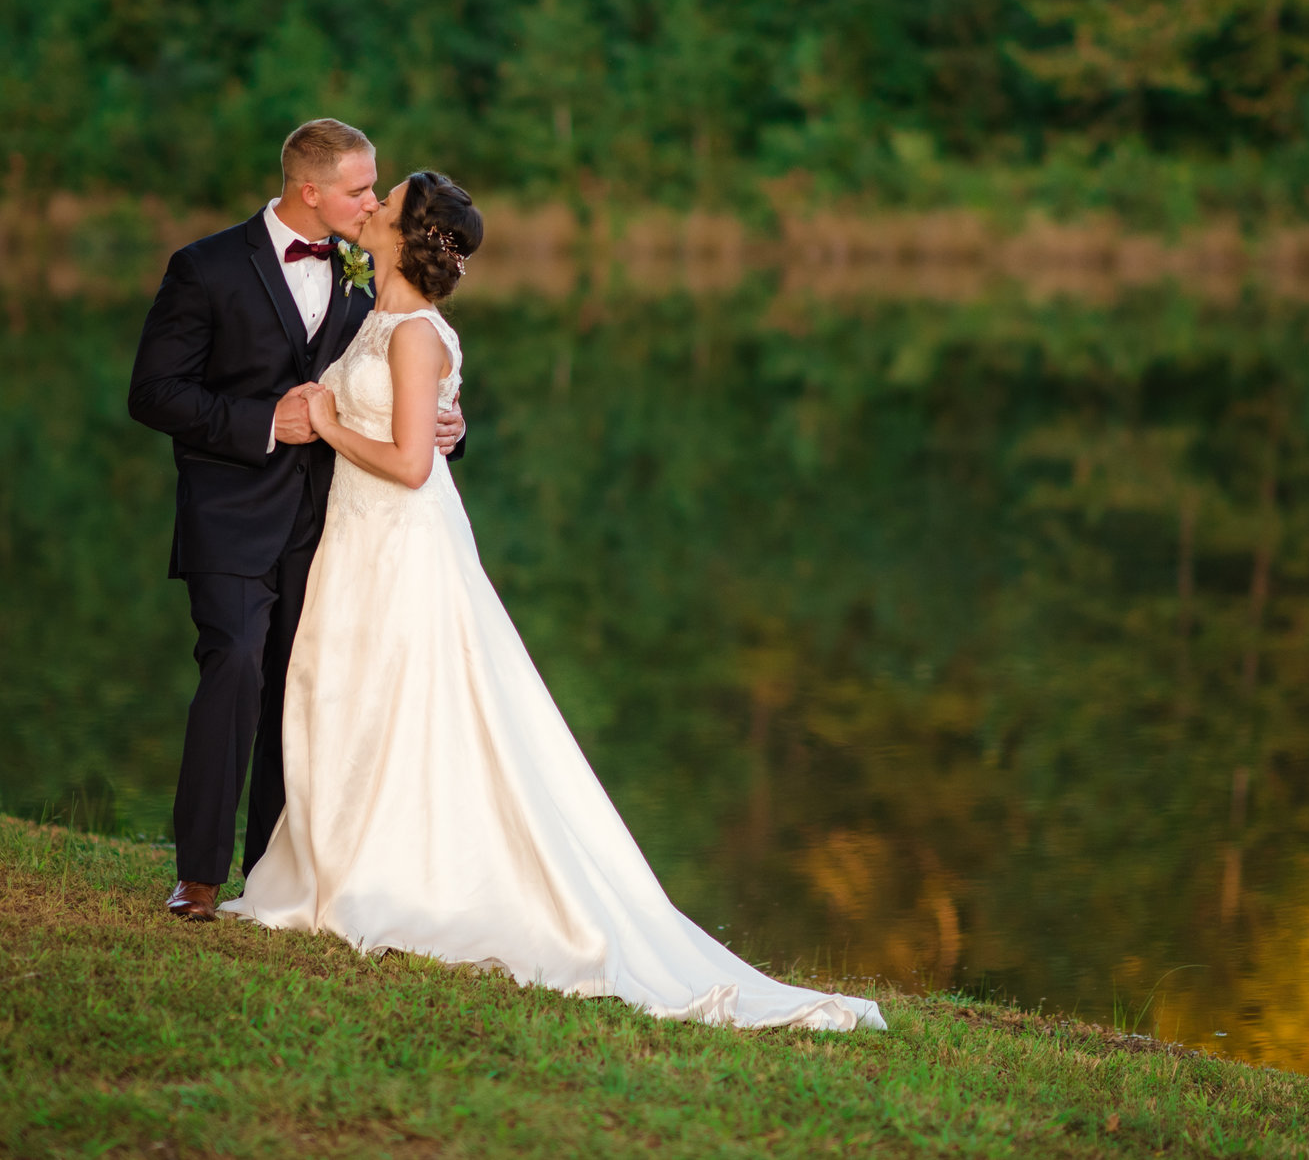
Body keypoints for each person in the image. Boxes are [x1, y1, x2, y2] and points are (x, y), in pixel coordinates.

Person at [218, 169, 885, 1033]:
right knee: (350, 695)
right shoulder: (378, 318)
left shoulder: (416, 335)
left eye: (386, 202)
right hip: (358, 539)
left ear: (408, 233)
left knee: (410, 702)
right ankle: (340, 866)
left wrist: (329, 421)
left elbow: (414, 462)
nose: (372, 207)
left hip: (400, 539)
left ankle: (399, 879)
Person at [126, 119, 466, 922]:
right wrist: (260, 423)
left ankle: (274, 875)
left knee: (300, 690)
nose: (373, 200)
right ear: (309, 190)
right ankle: (199, 875)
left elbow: (411, 371)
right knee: (236, 664)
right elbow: (154, 393)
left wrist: (452, 427)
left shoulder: (368, 272)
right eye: (359, 188)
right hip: (232, 515)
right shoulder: (205, 268)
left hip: (336, 525)